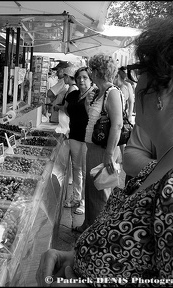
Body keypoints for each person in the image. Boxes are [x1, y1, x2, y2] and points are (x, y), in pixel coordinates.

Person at [37, 4, 173, 286]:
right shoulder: (172, 164)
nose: (135, 84)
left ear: (166, 83)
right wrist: (76, 259)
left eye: (139, 71)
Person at [71, 54, 124, 234]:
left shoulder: (113, 92)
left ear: (96, 71)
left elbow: (117, 124)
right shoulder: (99, 92)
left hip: (103, 151)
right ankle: (89, 225)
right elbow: (93, 119)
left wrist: (109, 154)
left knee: (101, 192)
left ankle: (98, 232)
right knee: (91, 190)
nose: (89, 73)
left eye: (91, 70)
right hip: (92, 148)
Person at [62, 67, 95, 215]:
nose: (81, 80)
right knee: (76, 168)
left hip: (88, 138)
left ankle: (84, 202)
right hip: (74, 134)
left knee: (86, 169)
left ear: (90, 79)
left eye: (85, 77)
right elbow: (67, 109)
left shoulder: (94, 95)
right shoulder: (73, 94)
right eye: (79, 77)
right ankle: (76, 197)